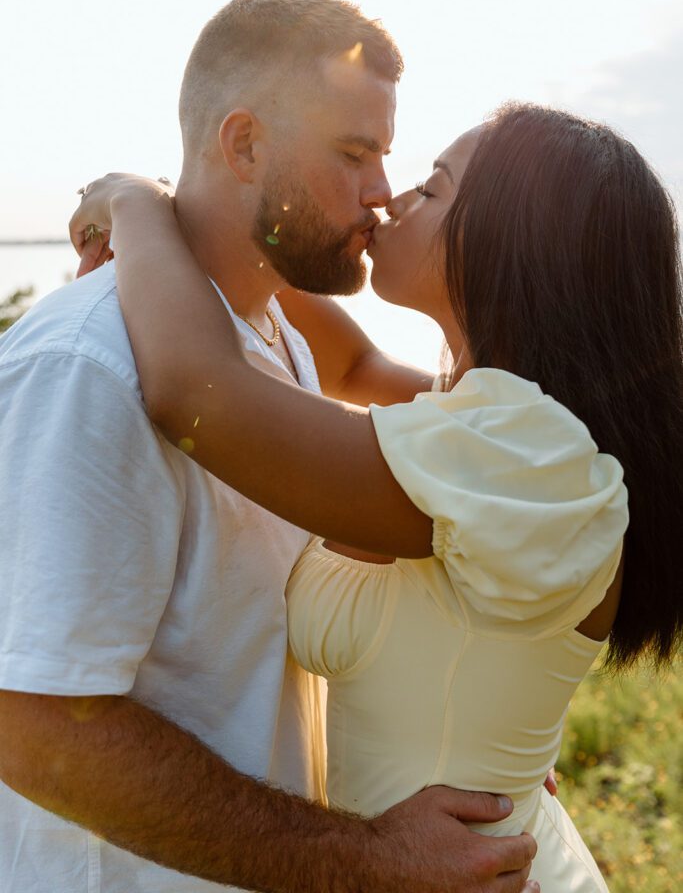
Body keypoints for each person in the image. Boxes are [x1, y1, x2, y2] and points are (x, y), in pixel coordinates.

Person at [0, 0, 539, 893]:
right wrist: (362, 858)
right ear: (244, 143)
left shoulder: (273, 349)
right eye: (352, 154)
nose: (380, 192)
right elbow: (32, 725)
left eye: (388, 159)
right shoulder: (88, 366)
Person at [68, 102, 683, 892]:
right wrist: (206, 216)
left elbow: (196, 392)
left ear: (509, 243)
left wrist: (132, 203)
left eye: (431, 190)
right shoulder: (485, 426)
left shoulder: (527, 454)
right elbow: (351, 370)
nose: (391, 200)